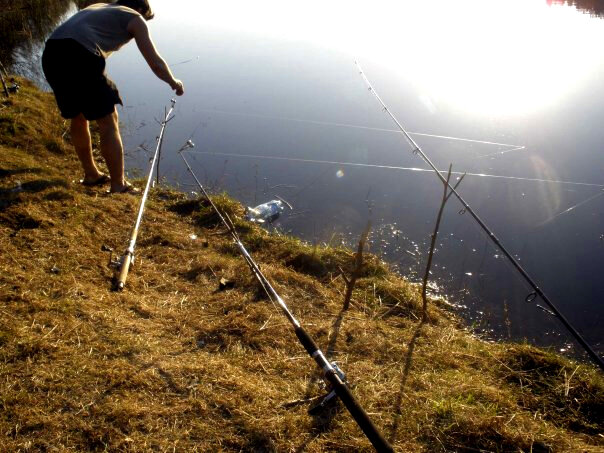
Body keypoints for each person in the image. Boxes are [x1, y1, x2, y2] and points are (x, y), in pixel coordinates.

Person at [42, 0, 184, 193]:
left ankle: (91, 174)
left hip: (51, 53)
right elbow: (156, 63)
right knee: (108, 120)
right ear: (141, 9)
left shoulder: (99, 6)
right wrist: (173, 82)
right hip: (80, 55)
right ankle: (118, 185)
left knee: (78, 116)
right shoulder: (136, 18)